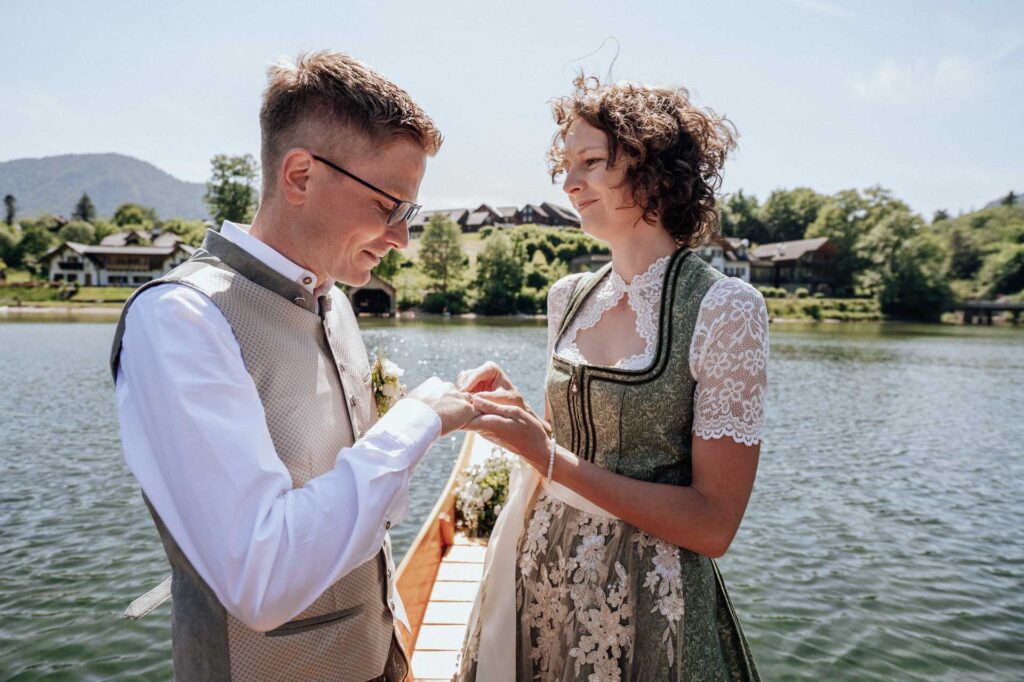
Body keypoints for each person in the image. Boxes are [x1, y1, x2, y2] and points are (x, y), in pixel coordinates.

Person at [110, 51, 475, 681]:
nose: (402, 238)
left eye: (410, 215)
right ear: (301, 175)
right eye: (392, 206)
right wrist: (416, 422)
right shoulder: (180, 322)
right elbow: (264, 577)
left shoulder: (333, 303)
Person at [458, 76, 769, 681]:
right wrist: (520, 417)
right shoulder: (568, 296)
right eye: (565, 165)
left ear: (653, 170)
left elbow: (712, 525)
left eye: (592, 162)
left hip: (647, 605)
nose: (570, 183)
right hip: (541, 571)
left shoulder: (725, 308)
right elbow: (564, 444)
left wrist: (544, 455)